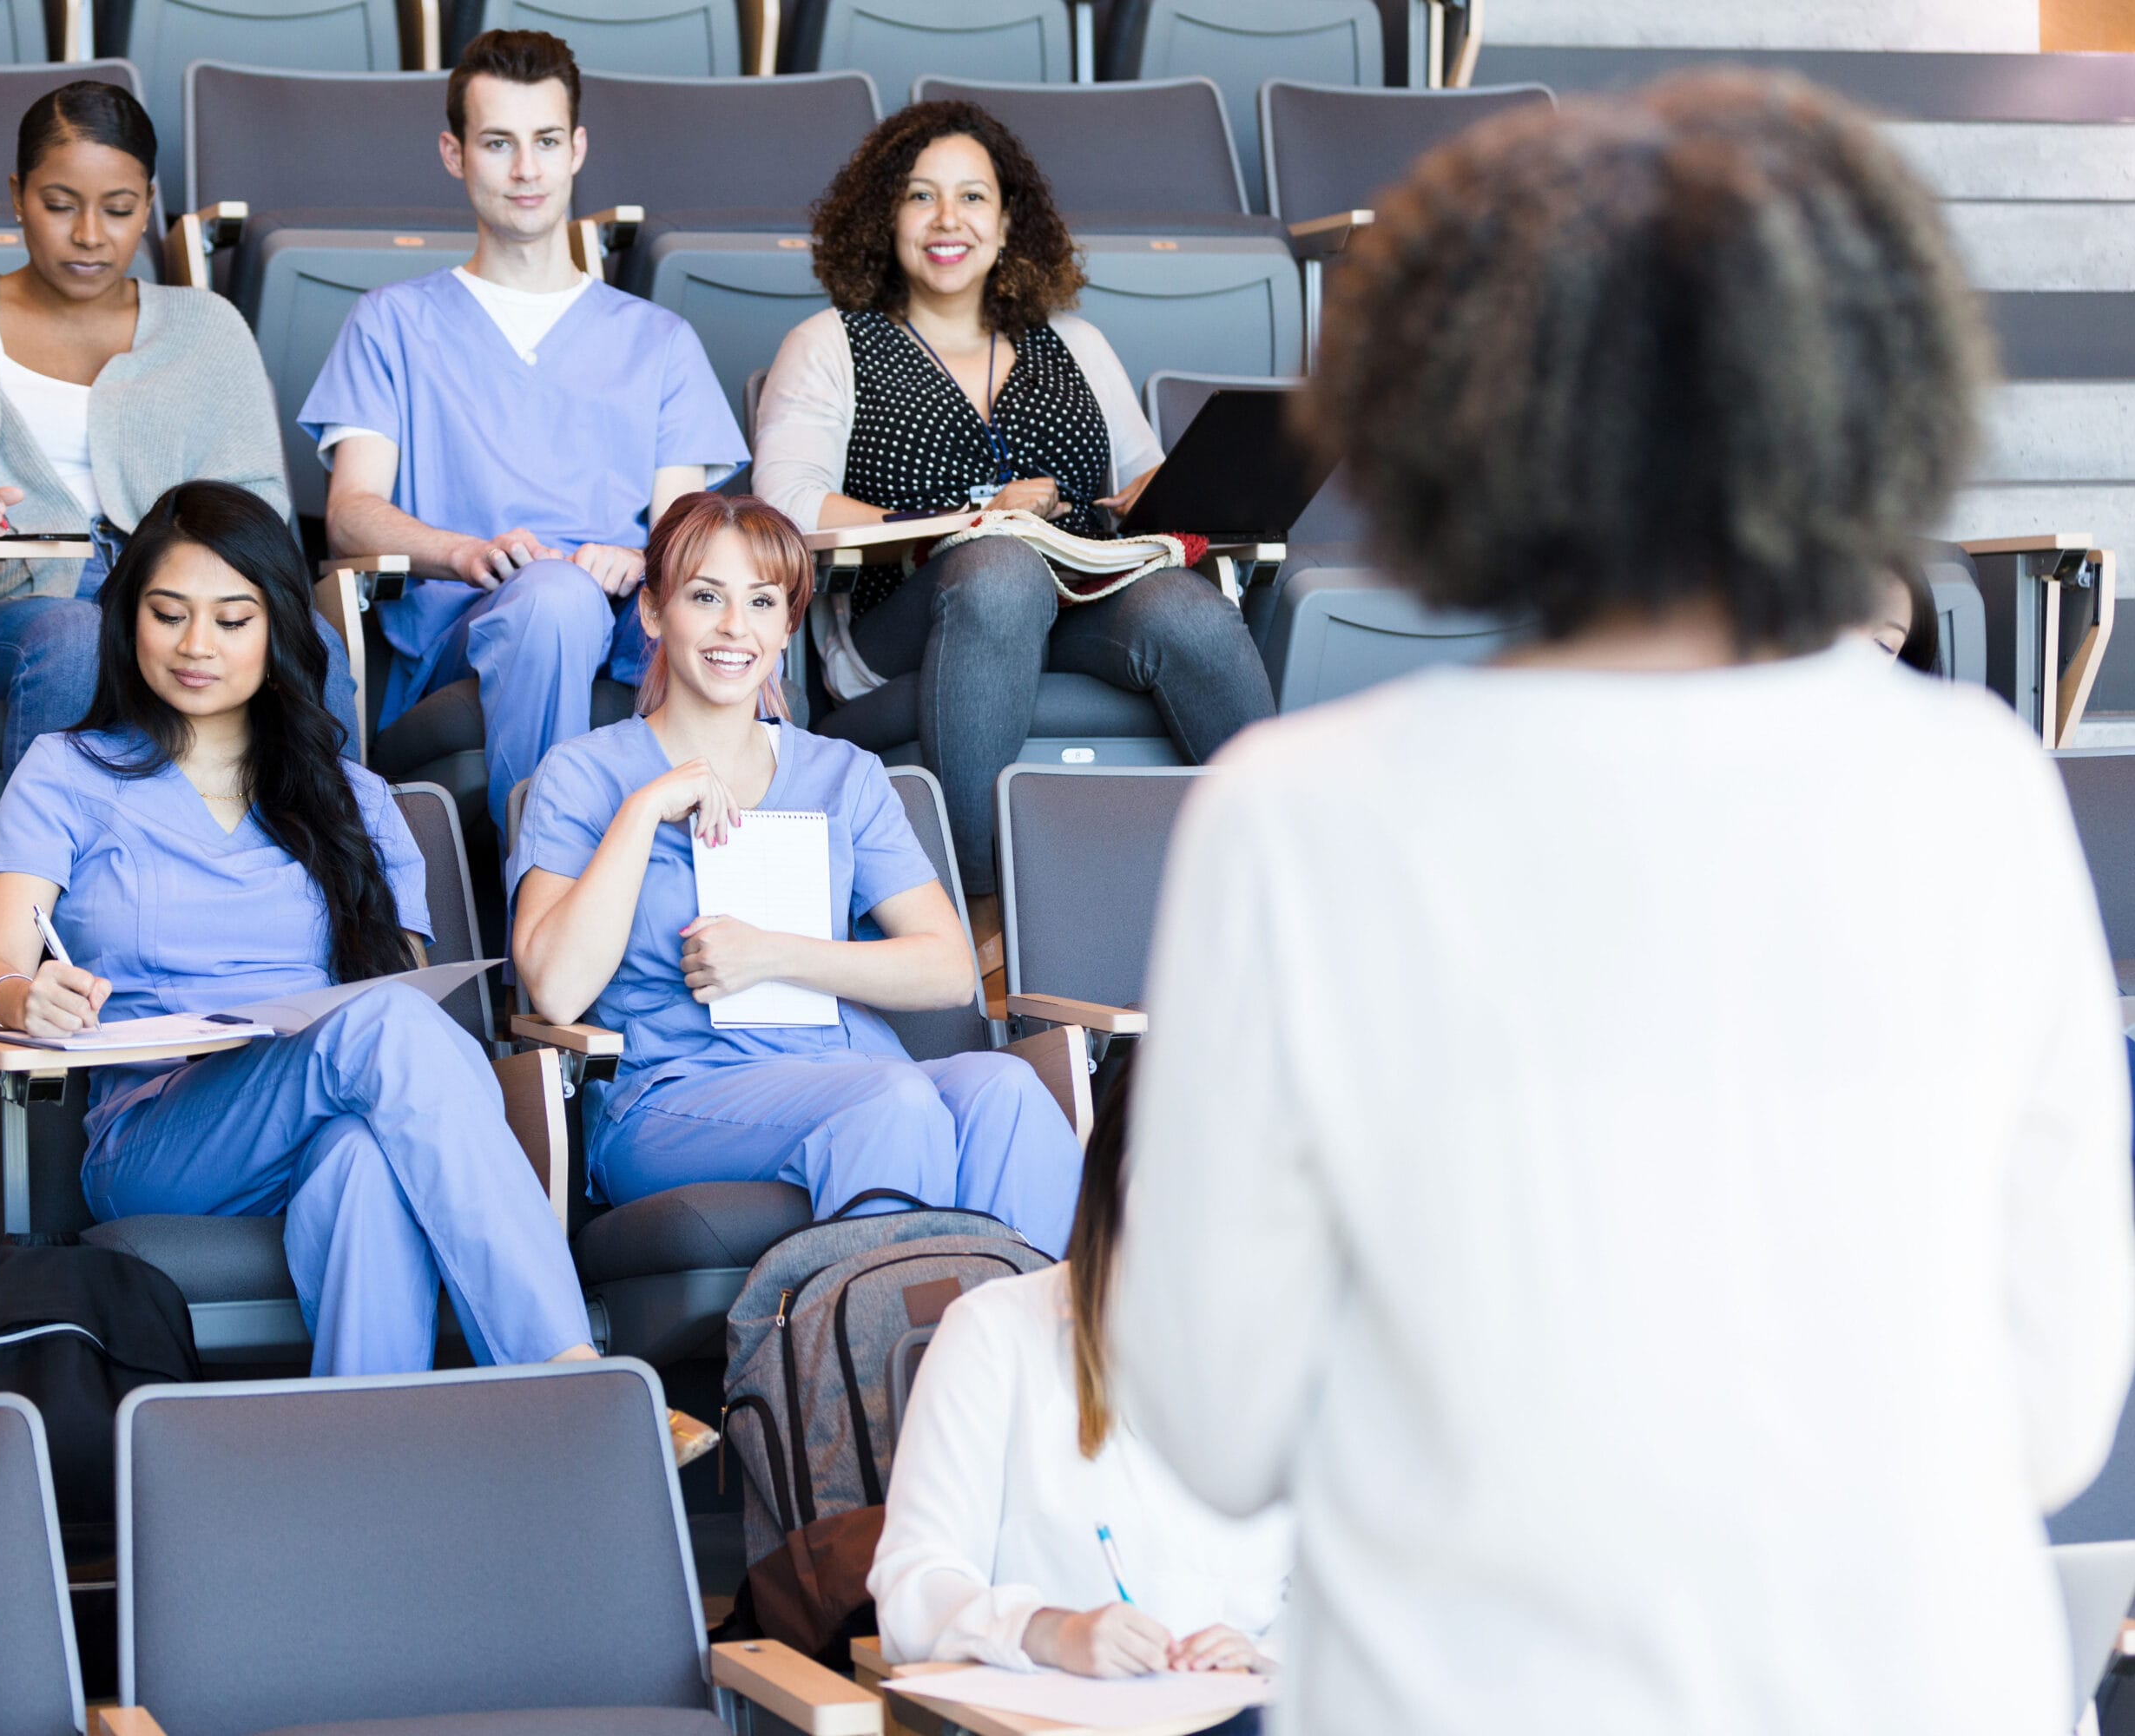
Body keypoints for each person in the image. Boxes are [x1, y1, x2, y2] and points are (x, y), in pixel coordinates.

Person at [1110, 74, 2135, 1736]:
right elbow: (2056, 1417)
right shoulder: (1979, 790)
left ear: (1451, 406)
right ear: (1852, 400)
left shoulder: (1293, 817)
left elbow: (1215, 1422)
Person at [0, 480, 591, 1377]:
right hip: (158, 1135)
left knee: (364, 1166)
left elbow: (400, 992)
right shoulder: (66, 773)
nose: (196, 646)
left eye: (231, 619)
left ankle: (364, 1470)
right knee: (383, 1033)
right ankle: (567, 1374)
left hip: (313, 1116)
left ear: (277, 631)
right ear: (127, 620)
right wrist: (25, 995)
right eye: (168, 614)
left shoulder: (356, 801)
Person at [508, 492, 1082, 1255]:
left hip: (849, 1064)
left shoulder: (844, 774)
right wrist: (643, 812)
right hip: (672, 1096)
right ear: (652, 614)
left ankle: (1025, 1364)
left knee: (1011, 1092)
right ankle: (877, 1366)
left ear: (786, 627)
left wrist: (772, 954)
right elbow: (554, 988)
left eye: (761, 602)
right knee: (893, 1101)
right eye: (705, 597)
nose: (733, 628)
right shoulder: (585, 774)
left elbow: (948, 970)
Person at [752, 99, 1273, 918]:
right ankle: (976, 912)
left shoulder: (1074, 342)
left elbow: (1146, 480)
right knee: (1000, 572)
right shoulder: (832, 341)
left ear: (1006, 223)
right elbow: (787, 503)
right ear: (884, 217)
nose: (947, 218)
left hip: (1078, 602)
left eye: (972, 197)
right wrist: (976, 518)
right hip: (907, 620)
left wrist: (1154, 497)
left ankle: (1282, 884)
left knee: (1188, 611)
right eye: (920, 195)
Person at [299, 29, 748, 834]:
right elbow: (351, 509)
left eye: (545, 142)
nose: (526, 170)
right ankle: (544, 909)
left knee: (736, 606)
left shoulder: (659, 340)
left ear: (577, 148)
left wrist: (646, 558)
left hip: (630, 622)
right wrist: (460, 552)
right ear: (453, 152)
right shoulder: (392, 324)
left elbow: (688, 531)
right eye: (498, 143)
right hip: (465, 628)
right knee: (551, 599)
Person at [0, 81, 354, 775]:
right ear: (17, 196)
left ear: (148, 204)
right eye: (59, 206)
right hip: (0, 617)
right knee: (78, 640)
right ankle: (54, 881)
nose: (89, 235)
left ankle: (336, 872)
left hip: (178, 599)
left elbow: (258, 509)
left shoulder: (208, 329)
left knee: (311, 648)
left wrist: (178, 584)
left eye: (118, 210)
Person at [869, 1048, 1290, 1707]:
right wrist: (1049, 1633)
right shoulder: (991, 1335)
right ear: (1118, 1186)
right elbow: (912, 1592)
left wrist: (1267, 1656)